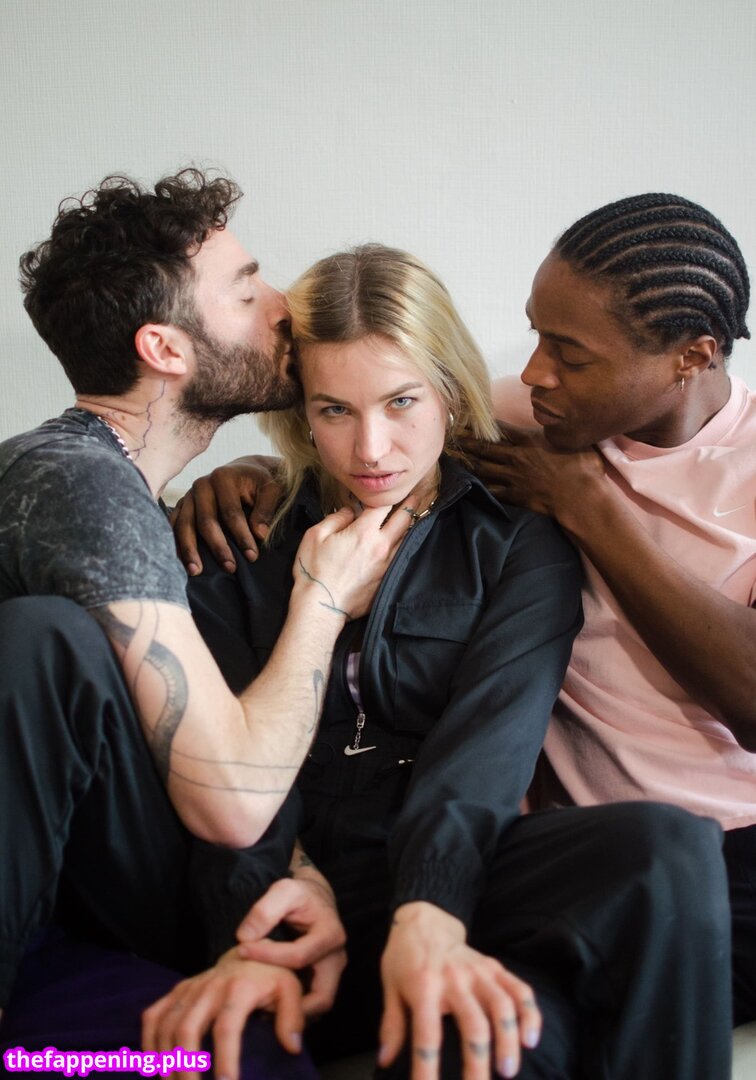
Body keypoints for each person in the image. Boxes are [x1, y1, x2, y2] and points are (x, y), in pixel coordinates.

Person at [170, 243, 732, 1079]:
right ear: (301, 410)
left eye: (402, 401)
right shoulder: (240, 534)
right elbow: (215, 757)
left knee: (668, 848)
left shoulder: (517, 541)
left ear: (450, 391)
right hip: (291, 880)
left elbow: (488, 746)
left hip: (451, 871)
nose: (372, 447)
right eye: (334, 410)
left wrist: (430, 908)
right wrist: (260, 913)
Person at [0, 170, 417, 1074]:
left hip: (136, 900)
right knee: (48, 639)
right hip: (70, 917)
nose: (285, 306)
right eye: (246, 289)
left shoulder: (123, 493)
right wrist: (322, 600)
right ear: (166, 348)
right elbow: (228, 802)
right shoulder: (77, 481)